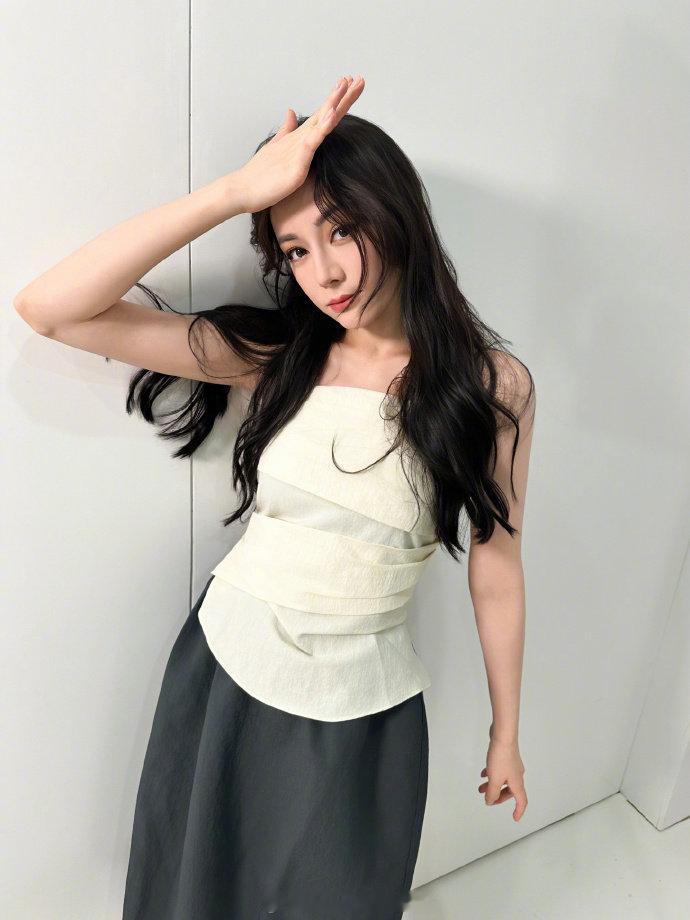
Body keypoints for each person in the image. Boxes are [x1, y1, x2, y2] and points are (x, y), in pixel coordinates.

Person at [14, 74, 535, 919]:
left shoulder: (492, 386)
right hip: (229, 671)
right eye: (294, 250)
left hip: (366, 709)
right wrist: (234, 193)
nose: (324, 272)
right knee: (195, 894)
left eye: (341, 230)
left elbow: (498, 569)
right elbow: (50, 309)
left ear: (395, 212)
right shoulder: (279, 354)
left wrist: (505, 732)